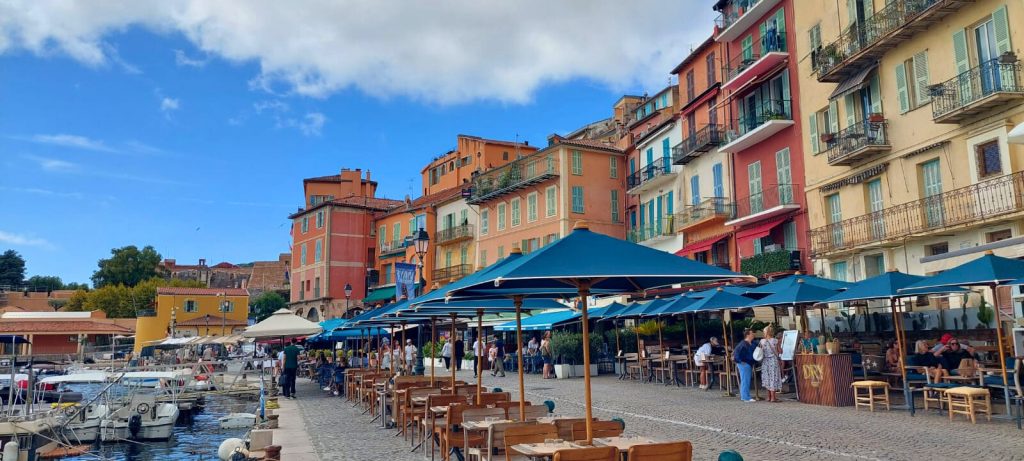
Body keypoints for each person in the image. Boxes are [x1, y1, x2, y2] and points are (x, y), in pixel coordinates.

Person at [733, 329, 757, 402]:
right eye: (752, 333)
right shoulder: (743, 344)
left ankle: (746, 396)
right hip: (744, 363)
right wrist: (740, 362)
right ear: (748, 335)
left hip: (748, 363)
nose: (753, 335)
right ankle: (745, 397)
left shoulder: (751, 343)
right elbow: (736, 354)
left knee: (746, 380)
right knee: (745, 380)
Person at [760, 326, 782, 402]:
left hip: (765, 361)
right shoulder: (775, 341)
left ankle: (768, 396)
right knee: (773, 377)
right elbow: (780, 351)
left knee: (767, 378)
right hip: (773, 361)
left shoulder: (762, 341)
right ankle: (773, 397)